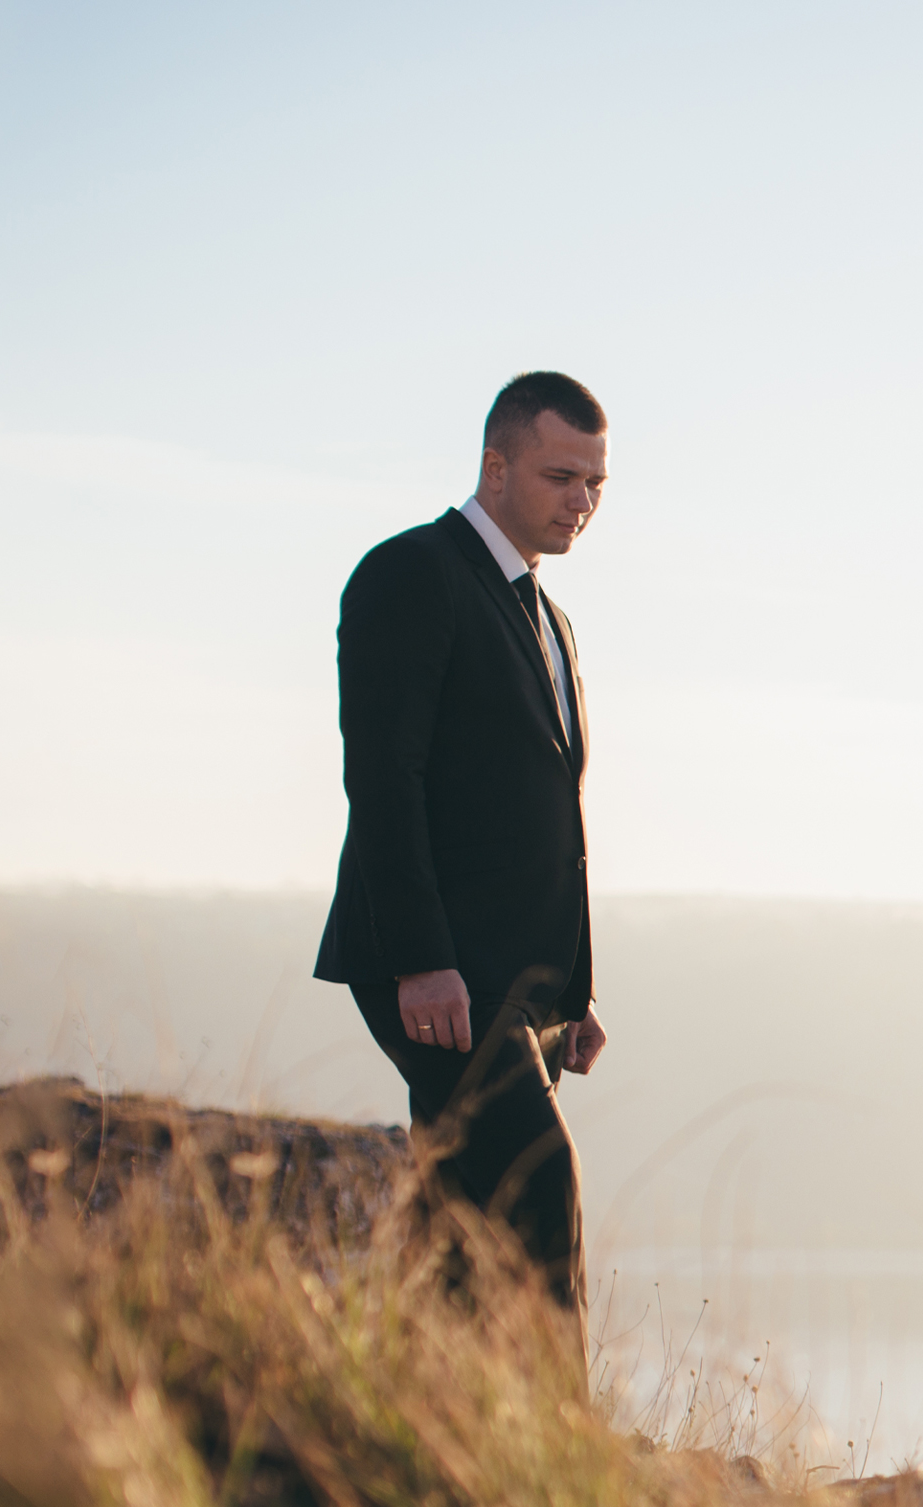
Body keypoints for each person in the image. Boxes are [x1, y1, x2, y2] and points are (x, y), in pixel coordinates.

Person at [313, 371, 610, 1385]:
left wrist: (574, 994)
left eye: (595, 483)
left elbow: (549, 822)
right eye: (559, 474)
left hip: (514, 980)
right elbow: (382, 779)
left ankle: (426, 1418)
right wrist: (420, 961)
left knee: (457, 1218)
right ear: (496, 465)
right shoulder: (412, 575)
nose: (580, 500)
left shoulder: (550, 619)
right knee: (538, 1183)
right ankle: (566, 1446)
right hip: (430, 968)